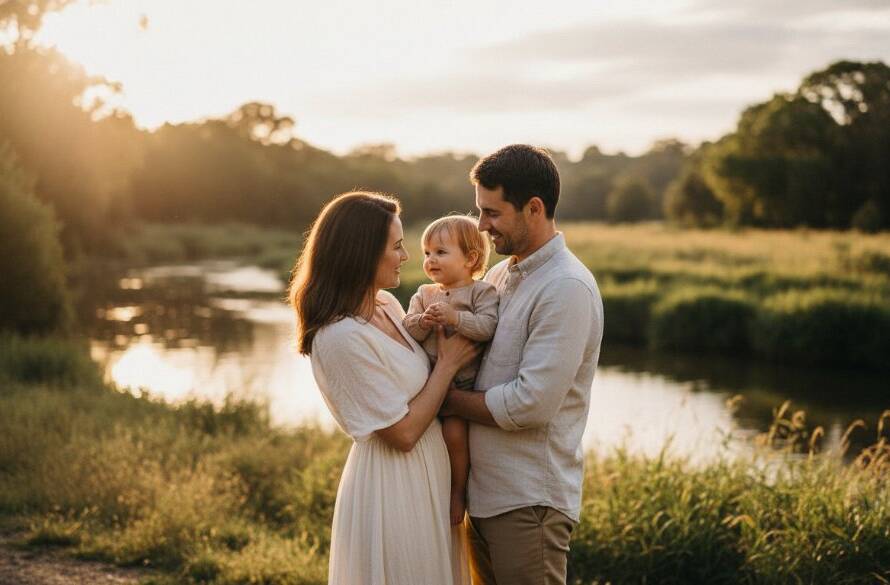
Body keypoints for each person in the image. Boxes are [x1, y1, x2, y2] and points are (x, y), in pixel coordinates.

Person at [290, 191, 477, 585]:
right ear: (362, 253)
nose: (408, 257)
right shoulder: (338, 337)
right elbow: (402, 433)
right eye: (396, 246)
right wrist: (447, 365)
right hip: (393, 487)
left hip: (433, 476)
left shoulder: (389, 305)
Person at [440, 145, 605, 585]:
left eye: (492, 213)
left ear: (534, 208)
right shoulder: (497, 277)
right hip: (487, 497)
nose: (481, 226)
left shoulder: (566, 287)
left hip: (529, 504)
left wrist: (449, 400)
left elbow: (531, 404)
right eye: (480, 212)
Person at [402, 215, 499, 526]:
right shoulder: (423, 293)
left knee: (454, 435)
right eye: (427, 253)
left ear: (471, 258)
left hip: (460, 387)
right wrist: (422, 322)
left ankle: (458, 492)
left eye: (441, 252)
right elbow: (409, 330)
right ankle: (421, 497)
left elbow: (487, 327)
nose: (431, 260)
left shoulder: (481, 293)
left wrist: (455, 319)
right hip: (426, 388)